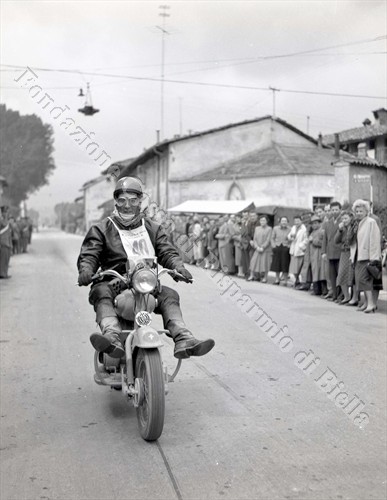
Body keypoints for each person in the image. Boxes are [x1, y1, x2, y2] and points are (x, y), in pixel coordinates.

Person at [77, 177, 215, 359]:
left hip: (145, 282)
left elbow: (167, 251)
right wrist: (86, 270)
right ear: (116, 202)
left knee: (170, 295)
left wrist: (178, 267)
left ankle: (183, 337)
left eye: (133, 200)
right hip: (113, 281)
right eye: (122, 200)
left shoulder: (153, 228)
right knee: (100, 291)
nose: (127, 205)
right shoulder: (102, 228)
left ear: (140, 202)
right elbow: (90, 253)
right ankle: (111, 335)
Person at [350, 199, 381, 313]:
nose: (358, 213)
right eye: (357, 211)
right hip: (358, 256)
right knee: (360, 280)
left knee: (364, 280)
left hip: (367, 256)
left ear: (366, 211)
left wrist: (374, 257)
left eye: (361, 211)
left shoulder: (371, 222)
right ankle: (367, 303)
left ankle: (371, 304)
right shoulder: (356, 223)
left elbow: (374, 240)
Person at [322, 201, 342, 302]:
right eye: (332, 210)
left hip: (339, 252)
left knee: (340, 275)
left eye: (336, 210)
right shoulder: (327, 223)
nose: (334, 212)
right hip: (330, 252)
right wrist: (323, 252)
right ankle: (334, 294)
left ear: (340, 210)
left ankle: (341, 295)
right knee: (332, 275)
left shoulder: (343, 221)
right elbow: (325, 239)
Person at [334, 211, 355, 304]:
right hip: (344, 253)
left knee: (353, 275)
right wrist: (339, 230)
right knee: (341, 274)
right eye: (342, 219)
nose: (344, 220)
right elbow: (336, 240)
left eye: (346, 218)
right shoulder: (342, 229)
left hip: (352, 252)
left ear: (351, 218)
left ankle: (355, 298)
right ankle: (346, 296)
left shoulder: (354, 227)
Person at [248, 215, 272, 282]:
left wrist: (262, 247)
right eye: (261, 220)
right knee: (253, 261)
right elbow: (254, 238)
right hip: (257, 248)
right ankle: (251, 275)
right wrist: (256, 247)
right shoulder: (257, 228)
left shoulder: (269, 229)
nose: (262, 222)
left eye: (264, 220)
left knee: (265, 263)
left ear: (267, 221)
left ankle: (265, 277)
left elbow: (268, 239)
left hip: (265, 249)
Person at [308, 216, 327, 296]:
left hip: (319, 254)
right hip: (313, 255)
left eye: (316, 223)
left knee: (321, 272)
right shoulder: (312, 232)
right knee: (315, 272)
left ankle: (323, 290)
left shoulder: (322, 231)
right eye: (312, 224)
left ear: (319, 223)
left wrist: (314, 241)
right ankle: (317, 289)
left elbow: (323, 243)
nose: (314, 225)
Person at [288, 216, 308, 287]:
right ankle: (296, 281)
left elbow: (306, 240)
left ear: (301, 221)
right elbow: (289, 236)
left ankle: (298, 281)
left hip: (300, 251)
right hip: (293, 250)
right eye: (295, 221)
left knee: (298, 268)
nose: (296, 222)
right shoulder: (293, 228)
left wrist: (300, 246)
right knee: (293, 268)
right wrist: (290, 237)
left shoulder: (304, 229)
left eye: (298, 221)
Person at [270, 216, 290, 285]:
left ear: (287, 222)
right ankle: (277, 279)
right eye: (282, 221)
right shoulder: (275, 228)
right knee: (277, 264)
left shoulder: (290, 229)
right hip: (277, 247)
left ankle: (285, 280)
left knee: (285, 264)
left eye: (285, 221)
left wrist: (289, 246)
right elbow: (272, 238)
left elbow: (292, 238)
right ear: (280, 222)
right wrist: (273, 246)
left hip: (286, 247)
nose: (284, 222)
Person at [0, 206, 12, 279]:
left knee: (6, 259)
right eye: (5, 212)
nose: (6, 214)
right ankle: (2, 274)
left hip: (7, 243)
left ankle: (5, 273)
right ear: (2, 213)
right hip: (3, 243)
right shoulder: (1, 221)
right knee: (3, 259)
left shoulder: (7, 222)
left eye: (7, 212)